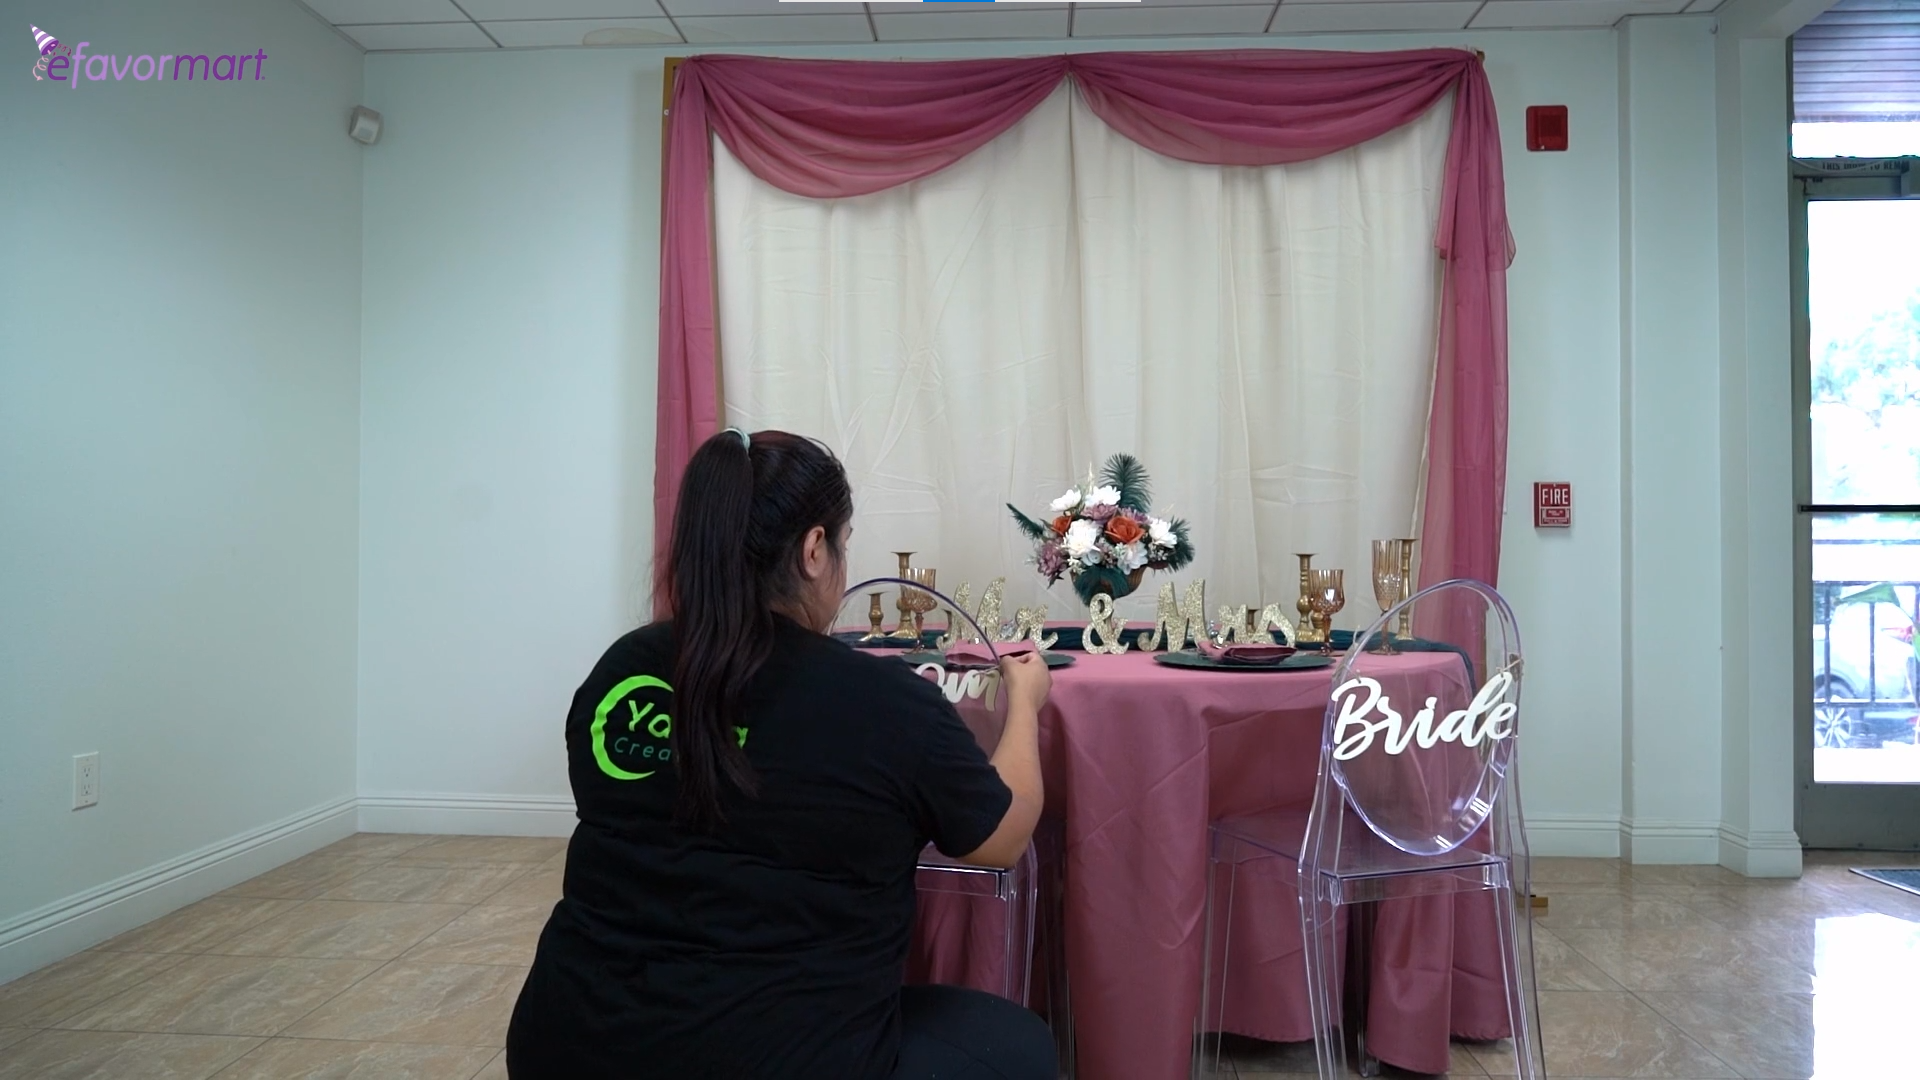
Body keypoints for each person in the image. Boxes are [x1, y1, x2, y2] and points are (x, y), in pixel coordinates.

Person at [506, 428, 1056, 1080]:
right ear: (815, 550)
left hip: (567, 1046)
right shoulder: (880, 701)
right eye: (845, 546)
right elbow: (1002, 838)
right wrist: (1024, 705)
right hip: (774, 1055)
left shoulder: (623, 670)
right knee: (1019, 1048)